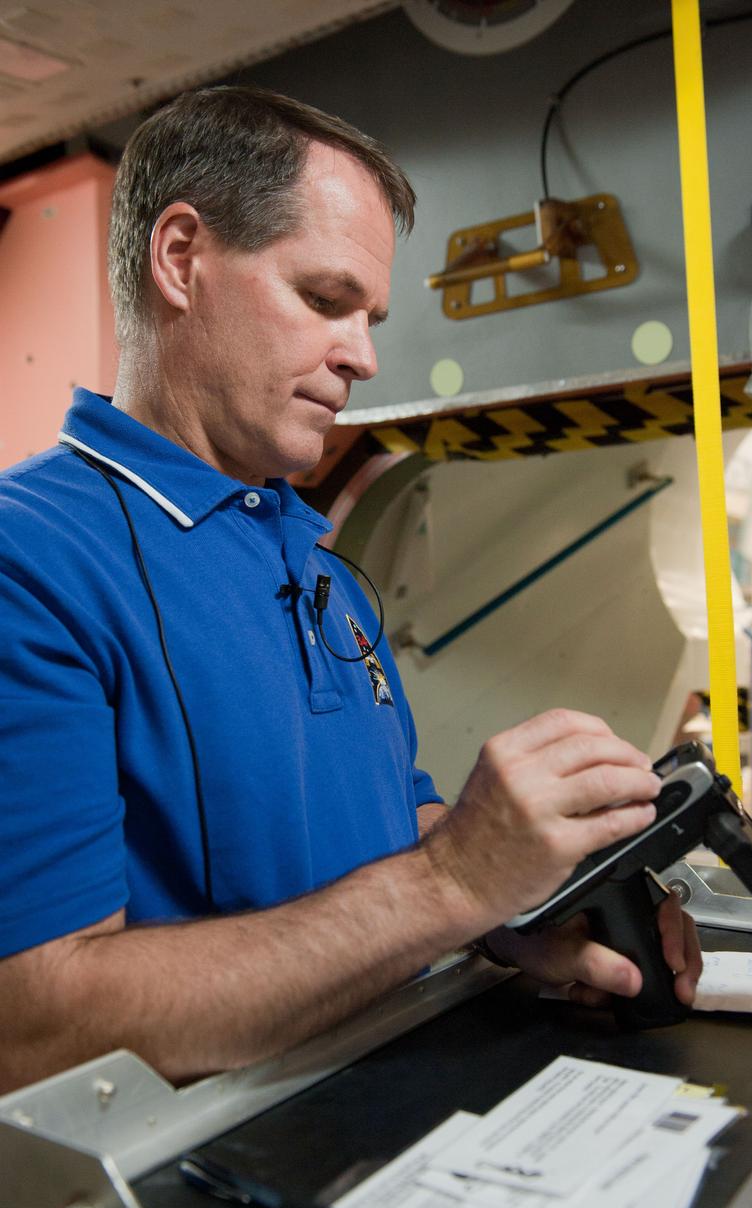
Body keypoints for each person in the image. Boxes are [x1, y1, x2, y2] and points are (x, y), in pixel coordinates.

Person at [0, 87, 701, 1093]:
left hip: (392, 1096)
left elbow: (388, 823)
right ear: (180, 258)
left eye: (368, 317)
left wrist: (521, 906)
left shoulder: (322, 568)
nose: (362, 355)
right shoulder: (29, 558)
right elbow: (32, 1024)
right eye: (324, 300)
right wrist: (451, 879)